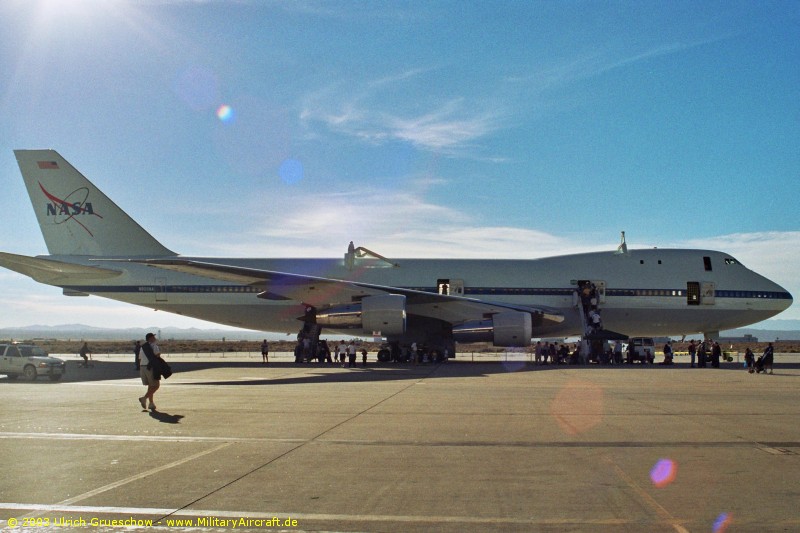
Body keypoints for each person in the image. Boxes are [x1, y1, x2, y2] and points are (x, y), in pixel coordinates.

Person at [138, 332, 162, 411]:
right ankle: (144, 398)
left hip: (143, 367)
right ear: (150, 338)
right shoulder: (154, 346)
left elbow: (140, 358)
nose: (155, 338)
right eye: (153, 337)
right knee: (156, 385)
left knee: (151, 386)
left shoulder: (143, 347)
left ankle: (151, 403)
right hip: (150, 367)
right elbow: (157, 355)